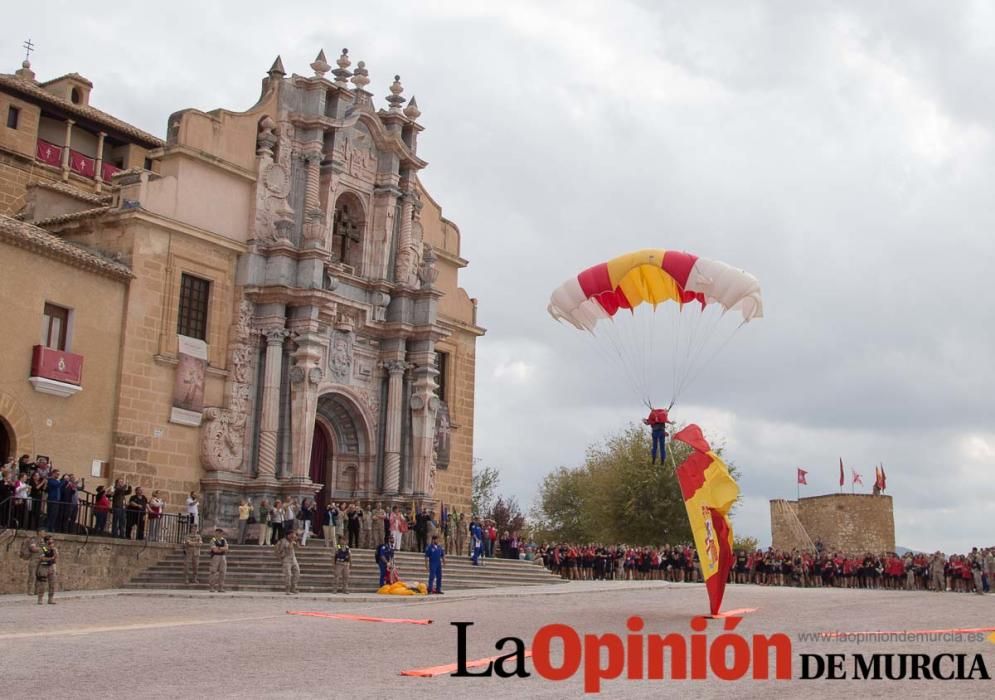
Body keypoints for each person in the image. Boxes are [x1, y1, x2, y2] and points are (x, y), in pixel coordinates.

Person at [35, 535, 58, 605]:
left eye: (52, 541)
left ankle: (50, 599)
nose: (51, 542)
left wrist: (53, 550)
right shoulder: (43, 548)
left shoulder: (54, 549)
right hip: (43, 567)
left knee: (52, 584)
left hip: (51, 567)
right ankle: (40, 599)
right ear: (46, 541)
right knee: (42, 584)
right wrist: (51, 558)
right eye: (49, 541)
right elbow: (41, 558)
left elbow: (56, 557)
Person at [276, 530, 300, 594]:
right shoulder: (283, 541)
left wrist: (297, 540)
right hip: (286, 559)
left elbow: (298, 547)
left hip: (293, 558)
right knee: (288, 575)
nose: (293, 536)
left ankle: (293, 588)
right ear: (288, 535)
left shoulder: (292, 540)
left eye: (293, 534)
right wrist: (292, 541)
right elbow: (289, 547)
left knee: (297, 573)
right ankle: (287, 589)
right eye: (292, 534)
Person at [209, 528, 229, 593]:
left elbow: (226, 548)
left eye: (220, 533)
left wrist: (219, 548)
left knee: (222, 572)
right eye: (217, 532)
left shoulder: (224, 540)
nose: (218, 534)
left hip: (223, 557)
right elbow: (214, 549)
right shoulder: (213, 540)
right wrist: (222, 549)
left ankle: (221, 587)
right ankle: (212, 587)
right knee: (213, 572)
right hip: (215, 556)